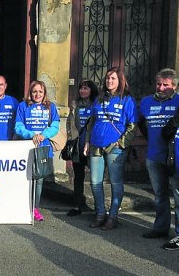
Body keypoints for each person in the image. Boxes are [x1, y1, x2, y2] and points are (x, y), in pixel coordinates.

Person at [84, 67, 137, 231]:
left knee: (115, 182)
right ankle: (100, 214)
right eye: (107, 78)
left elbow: (132, 126)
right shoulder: (99, 98)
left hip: (115, 148)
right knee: (95, 182)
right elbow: (92, 122)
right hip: (96, 145)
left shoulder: (127, 100)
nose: (109, 81)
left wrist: (121, 143)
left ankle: (113, 217)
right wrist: (87, 141)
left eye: (113, 78)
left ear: (120, 80)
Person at [138, 68, 179, 239]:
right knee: (160, 195)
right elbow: (141, 123)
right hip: (154, 156)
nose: (161, 88)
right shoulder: (146, 102)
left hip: (176, 158)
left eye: (165, 85)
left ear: (174, 86)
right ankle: (161, 228)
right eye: (158, 84)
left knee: (178, 195)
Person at [15, 80, 60, 222]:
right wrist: (31, 135)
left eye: (40, 91)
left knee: (39, 179)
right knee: (25, 178)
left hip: (43, 147)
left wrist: (43, 135)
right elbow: (18, 126)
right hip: (26, 147)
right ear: (30, 92)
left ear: (44, 93)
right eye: (34, 91)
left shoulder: (50, 107)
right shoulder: (23, 106)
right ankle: (22, 206)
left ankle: (35, 208)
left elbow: (55, 126)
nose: (37, 94)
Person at [65, 79, 99, 216]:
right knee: (78, 177)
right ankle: (79, 205)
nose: (83, 91)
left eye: (86, 88)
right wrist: (70, 137)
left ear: (92, 90)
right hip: (77, 146)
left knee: (96, 178)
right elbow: (69, 123)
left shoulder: (96, 105)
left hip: (91, 145)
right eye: (81, 88)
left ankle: (99, 208)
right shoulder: (75, 106)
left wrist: (89, 141)